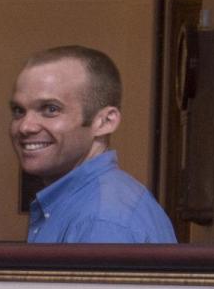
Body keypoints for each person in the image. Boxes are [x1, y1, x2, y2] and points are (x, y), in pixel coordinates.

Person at [10, 45, 176, 242]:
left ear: (105, 122)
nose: (25, 127)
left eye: (51, 109)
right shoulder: (84, 204)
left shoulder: (101, 221)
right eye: (19, 111)